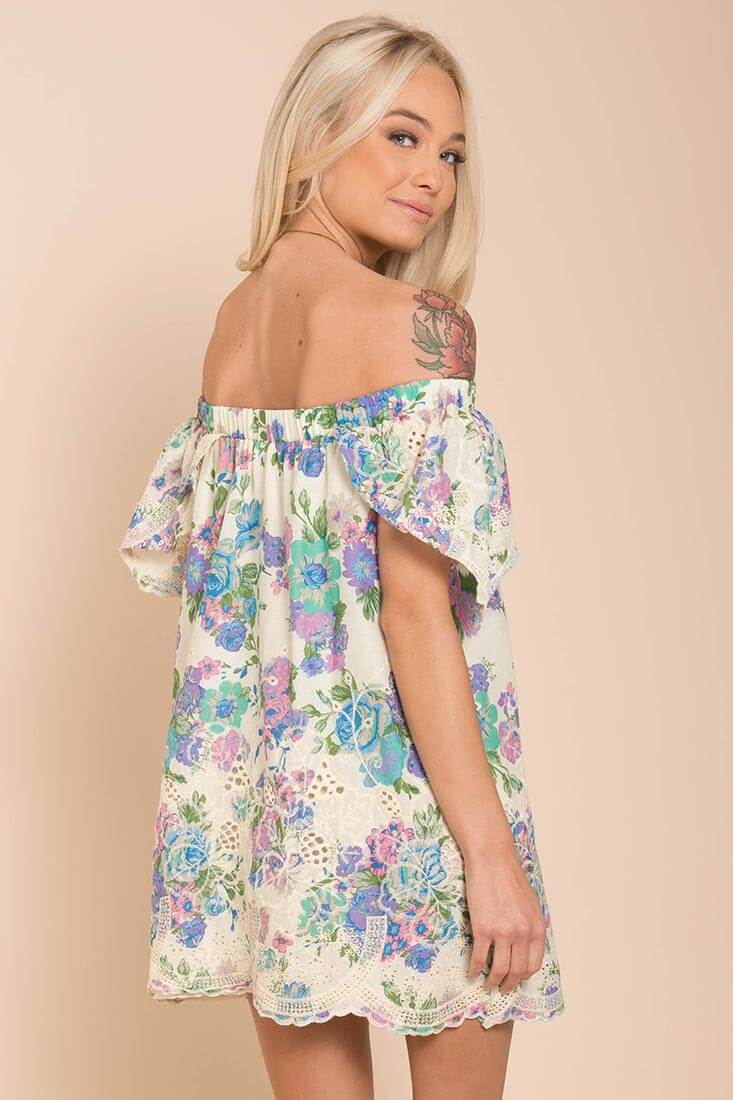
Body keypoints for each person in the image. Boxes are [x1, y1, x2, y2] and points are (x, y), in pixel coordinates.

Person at [118, 14, 565, 1100]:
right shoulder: (415, 326)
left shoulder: (232, 328)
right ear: (317, 131)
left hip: (275, 810)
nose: (432, 178)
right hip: (413, 795)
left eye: (450, 153)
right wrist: (489, 854)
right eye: (401, 136)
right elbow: (413, 613)